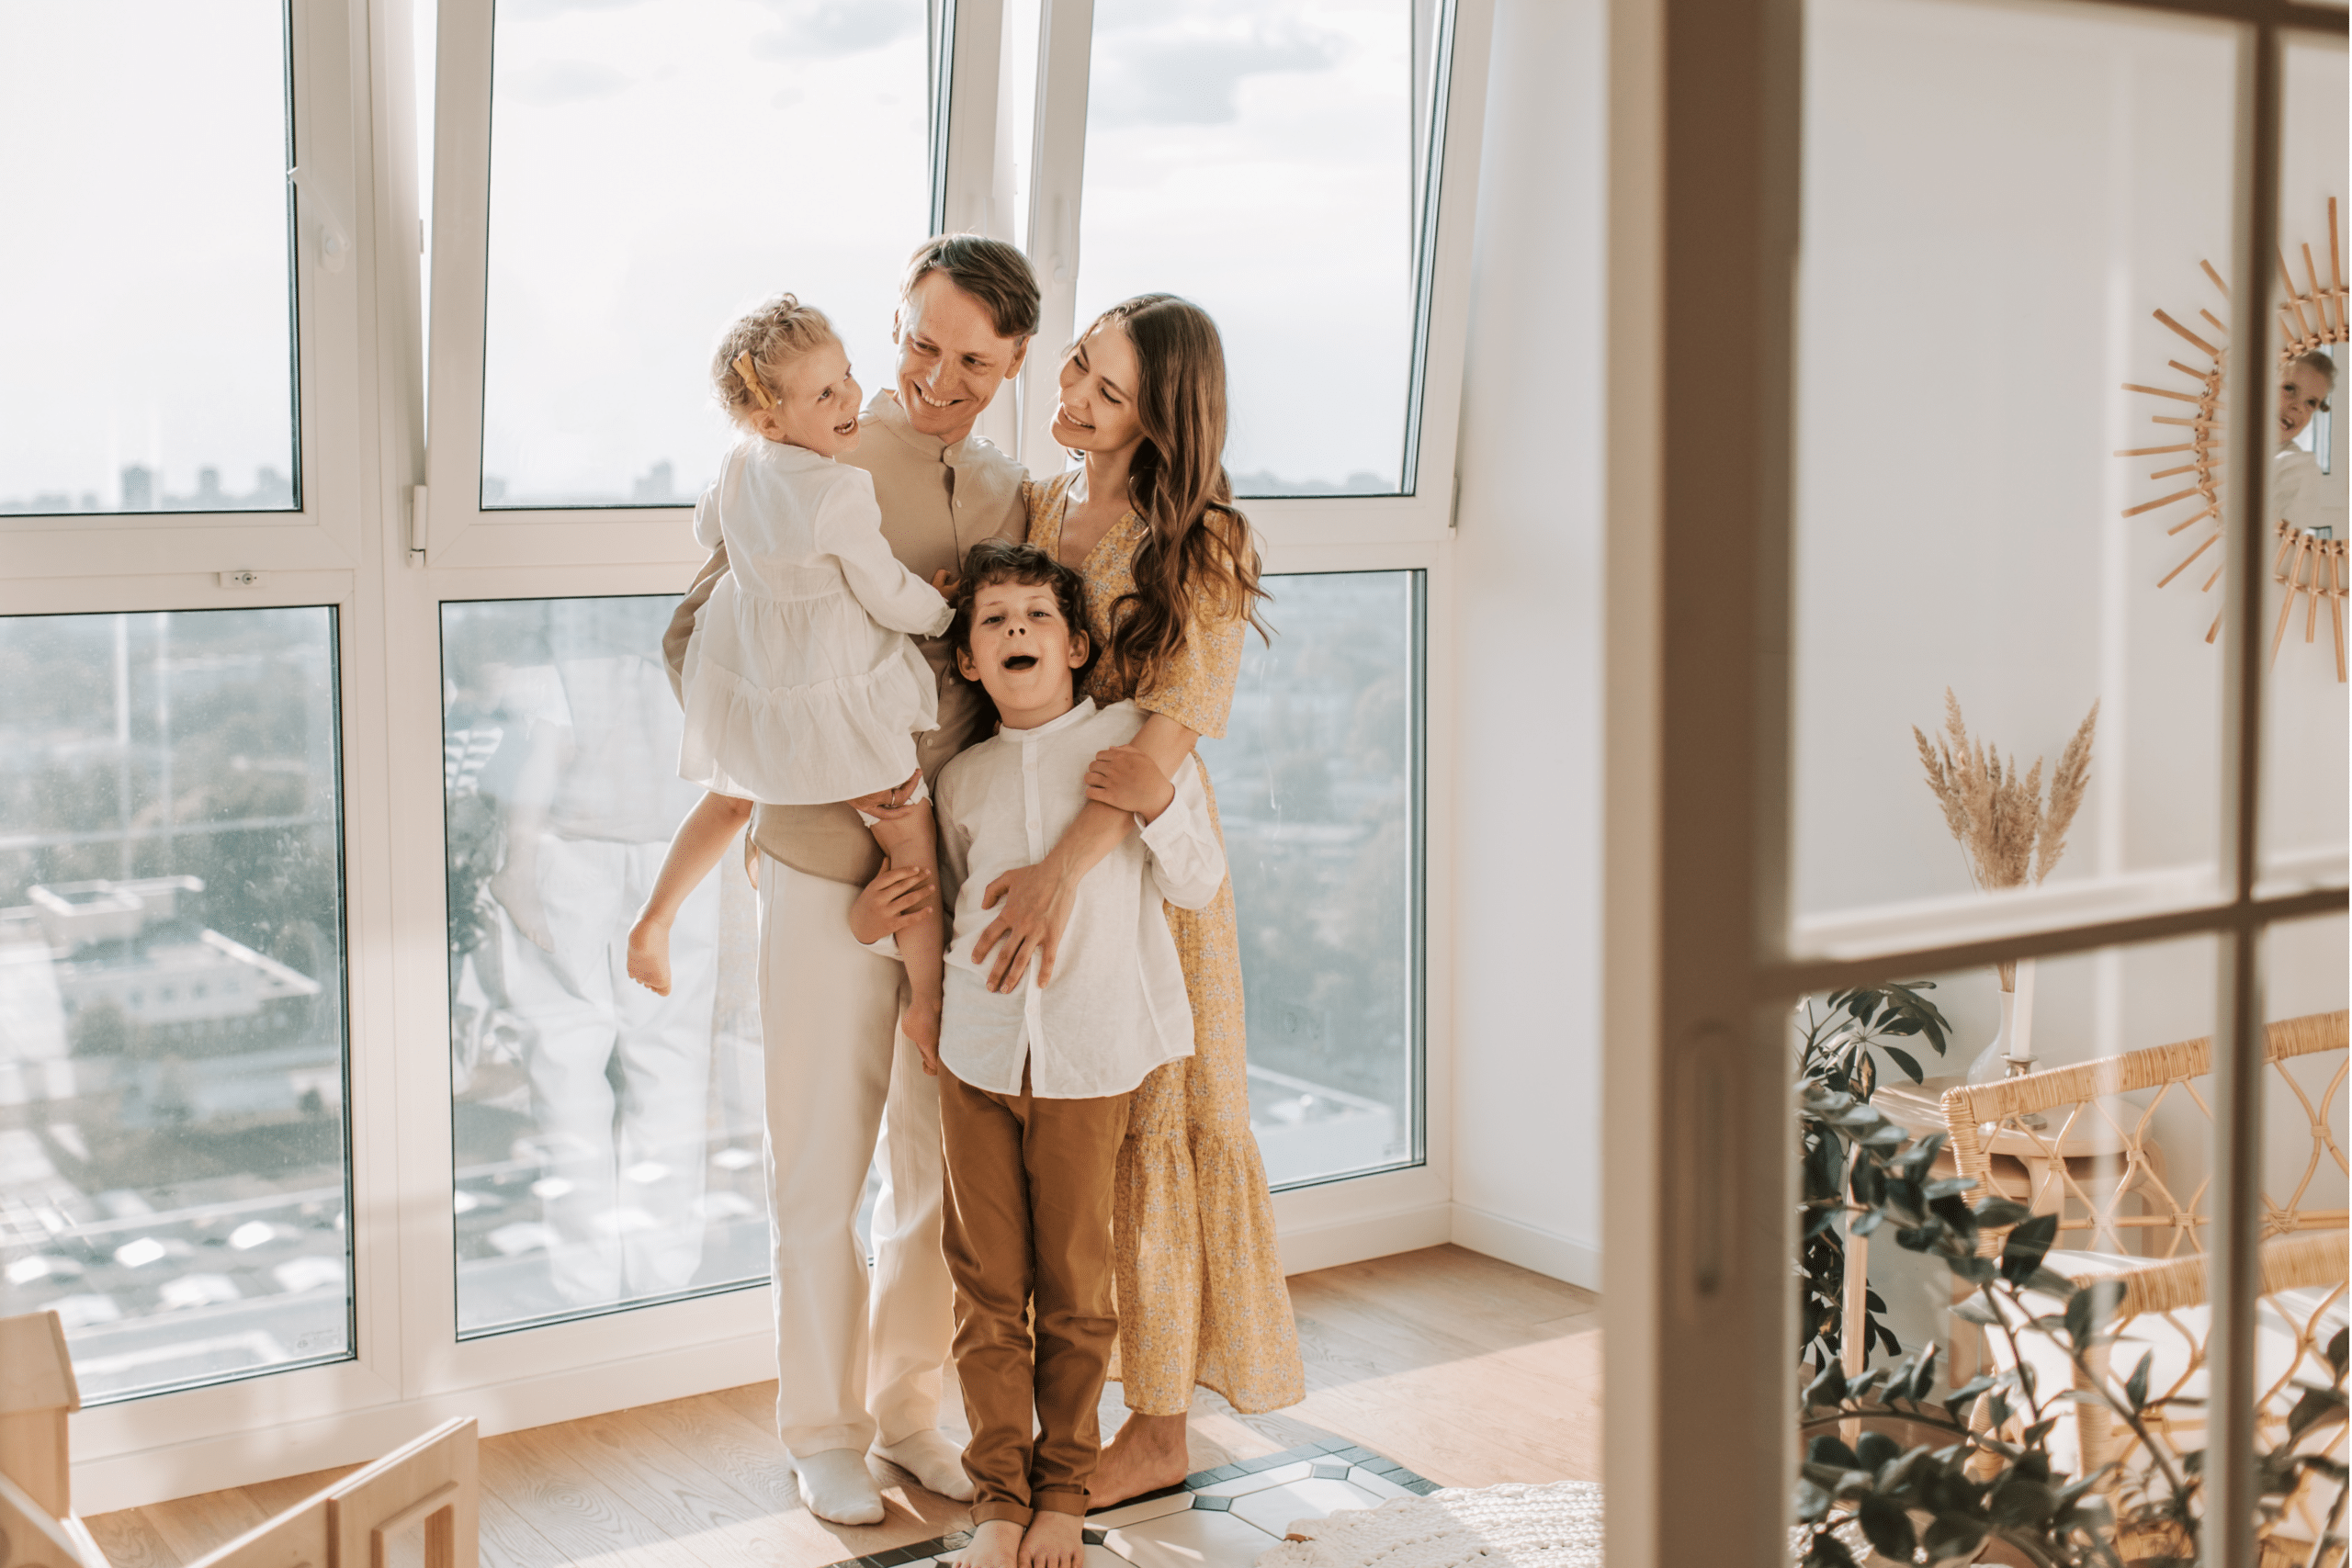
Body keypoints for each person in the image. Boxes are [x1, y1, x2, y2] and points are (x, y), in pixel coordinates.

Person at [659, 235, 1038, 1525]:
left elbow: (1004, 669)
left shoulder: (1003, 489)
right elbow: (699, 639)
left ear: (1013, 363)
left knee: (937, 1177)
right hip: (824, 872)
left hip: (955, 887)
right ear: (893, 329)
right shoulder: (806, 462)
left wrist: (937, 857)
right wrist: (826, 810)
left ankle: (907, 1409)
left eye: (974, 359)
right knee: (818, 1167)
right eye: (922, 342)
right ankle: (819, 1428)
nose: (940, 375)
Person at [967, 294, 1306, 1505]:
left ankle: (1158, 1425)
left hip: (1146, 863)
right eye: (1075, 369)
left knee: (1162, 1116)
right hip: (1044, 831)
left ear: (1161, 414)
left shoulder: (1204, 538)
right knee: (1076, 1131)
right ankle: (1088, 1415)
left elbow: (1154, 749)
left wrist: (1065, 869)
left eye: (1106, 392)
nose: (1072, 398)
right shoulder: (1046, 502)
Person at [888, 541, 1225, 1568]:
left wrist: (1158, 804)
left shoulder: (1134, 742)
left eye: (1035, 616)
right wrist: (887, 944)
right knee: (984, 1288)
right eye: (992, 623)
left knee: (1076, 1291)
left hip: (1089, 1060)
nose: (1015, 631)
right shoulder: (966, 780)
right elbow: (943, 910)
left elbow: (1199, 884)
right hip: (978, 1059)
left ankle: (1063, 1493)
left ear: (1077, 645)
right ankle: (998, 1494)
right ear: (968, 666)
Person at [631, 294, 953, 1059]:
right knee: (910, 831)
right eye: (825, 394)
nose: (849, 399)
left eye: (846, 377)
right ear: (770, 419)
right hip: (836, 689)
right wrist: (943, 612)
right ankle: (928, 1001)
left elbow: (707, 527)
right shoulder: (840, 490)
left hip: (758, 675)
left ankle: (656, 916)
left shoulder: (738, 463)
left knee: (729, 798)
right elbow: (883, 589)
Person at [483, 602, 720, 1311]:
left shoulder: (575, 632)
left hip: (574, 857)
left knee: (567, 1074)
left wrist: (516, 867)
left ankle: (584, 1288)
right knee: (672, 1069)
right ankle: (665, 1273)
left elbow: (542, 754)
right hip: (680, 857)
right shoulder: (694, 633)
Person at [2275, 347, 2341, 539]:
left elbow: (2280, 543)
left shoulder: (2299, 468)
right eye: (2289, 388)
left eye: (2311, 403)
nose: (2298, 407)